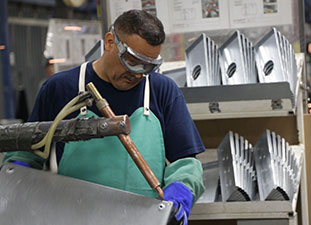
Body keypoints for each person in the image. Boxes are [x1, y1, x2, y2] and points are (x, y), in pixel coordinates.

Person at [3, 10, 205, 224]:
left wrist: (181, 191)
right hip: (73, 217)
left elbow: (185, 161)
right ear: (110, 42)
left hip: (142, 218)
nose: (137, 73)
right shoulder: (61, 89)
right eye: (132, 61)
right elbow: (26, 156)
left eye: (148, 66)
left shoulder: (162, 90)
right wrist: (16, 181)